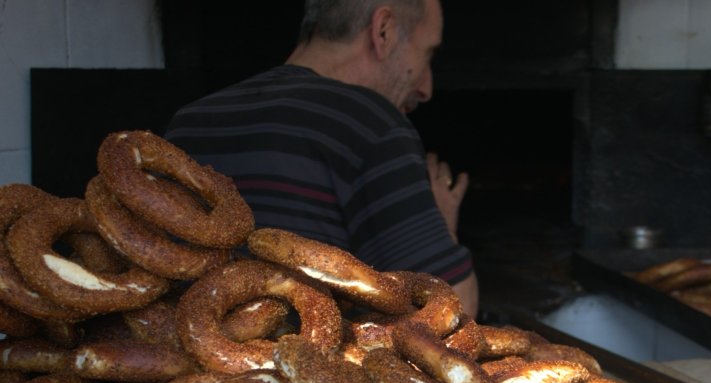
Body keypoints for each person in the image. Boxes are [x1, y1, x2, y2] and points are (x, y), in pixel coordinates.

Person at [163, 0, 478, 318]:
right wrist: (442, 221)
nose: (426, 88)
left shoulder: (189, 121)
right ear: (384, 31)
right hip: (317, 364)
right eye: (427, 54)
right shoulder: (372, 123)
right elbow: (452, 317)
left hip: (196, 359)